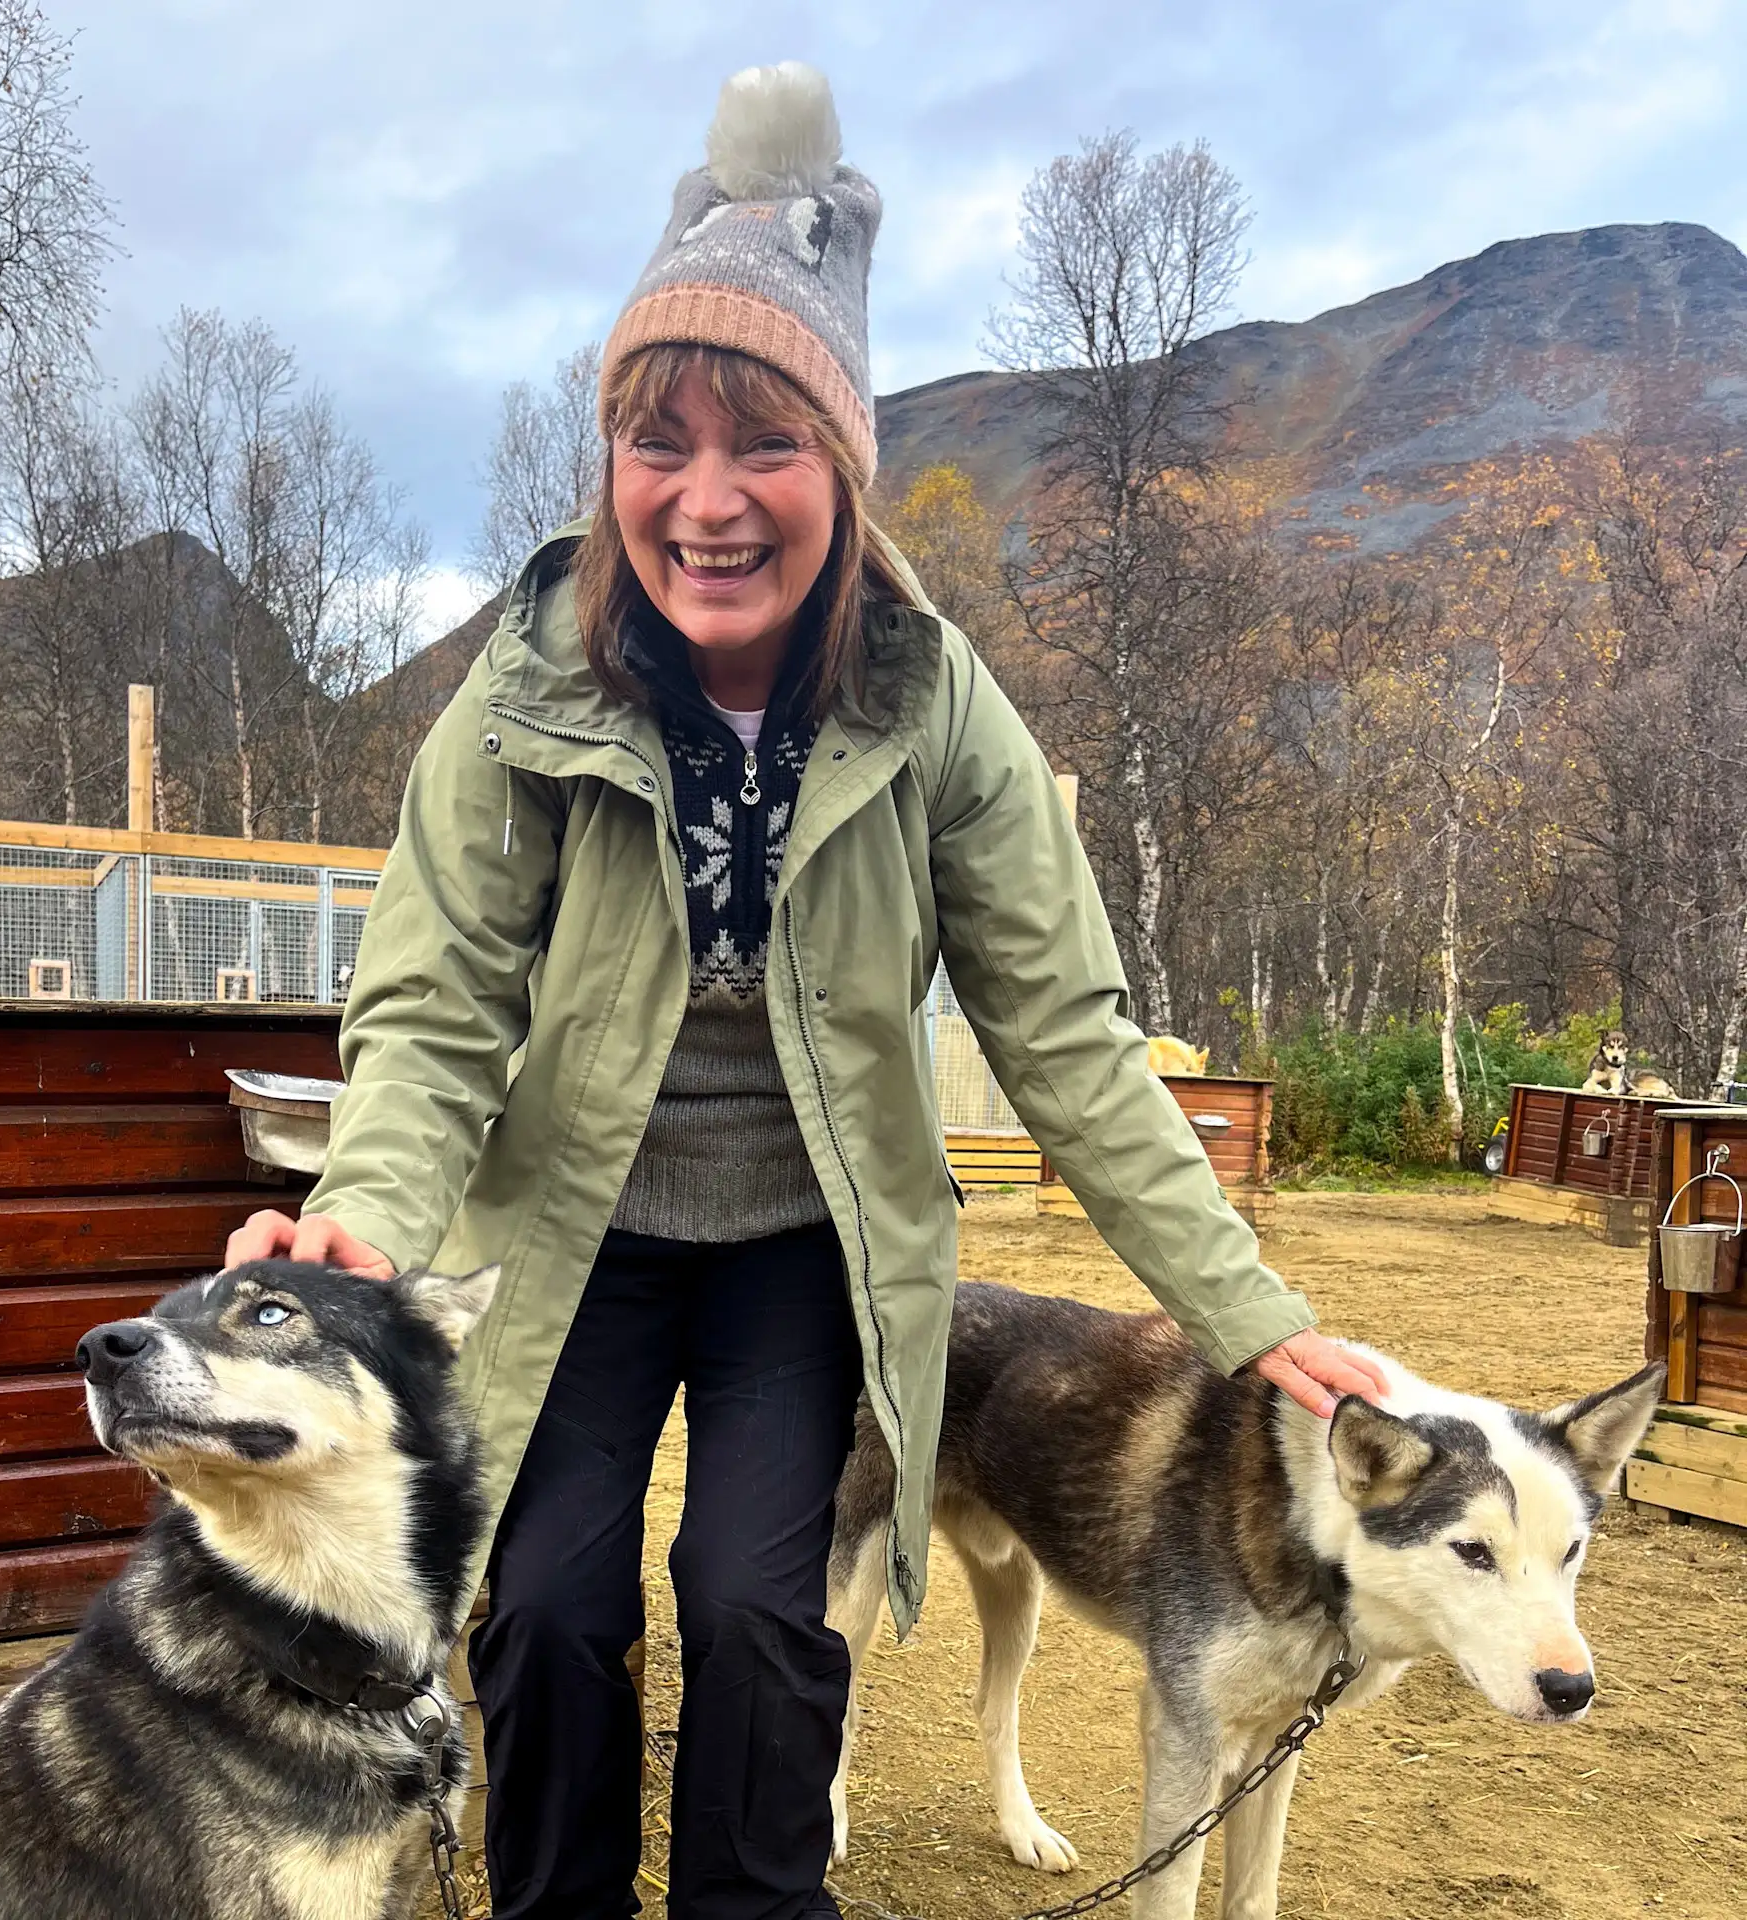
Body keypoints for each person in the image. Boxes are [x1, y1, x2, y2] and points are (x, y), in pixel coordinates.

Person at [225, 60, 1385, 1920]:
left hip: (806, 1242)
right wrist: (365, 1210)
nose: (707, 501)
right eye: (657, 440)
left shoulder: (934, 711)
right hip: (572, 1224)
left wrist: (1253, 1318)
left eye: (763, 445)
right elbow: (435, 1009)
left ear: (838, 463)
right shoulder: (527, 692)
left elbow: (1070, 1042)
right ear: (610, 458)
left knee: (764, 1615)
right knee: (540, 1604)